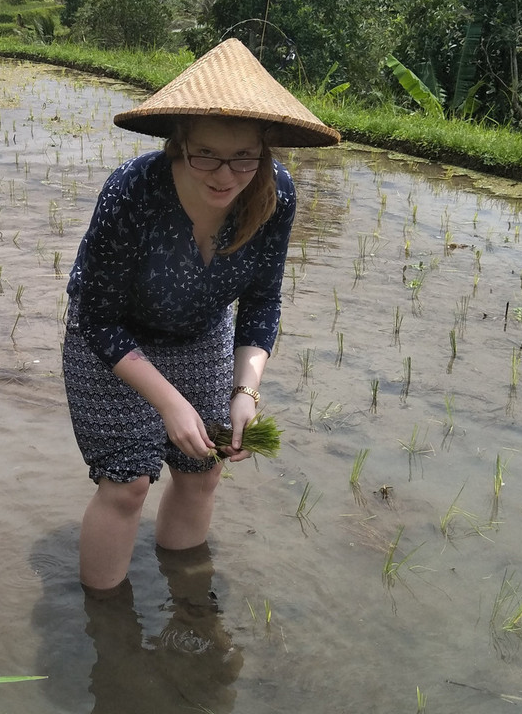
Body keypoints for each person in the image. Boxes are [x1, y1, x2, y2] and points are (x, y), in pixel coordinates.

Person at [63, 38, 340, 592]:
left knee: (203, 469)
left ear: (264, 151)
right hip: (115, 344)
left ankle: (186, 597)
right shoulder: (133, 192)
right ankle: (107, 630)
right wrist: (168, 402)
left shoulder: (276, 195)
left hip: (198, 338)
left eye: (244, 157)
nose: (225, 174)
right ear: (177, 145)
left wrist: (246, 391)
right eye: (205, 154)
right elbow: (96, 317)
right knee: (127, 485)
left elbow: (262, 301)